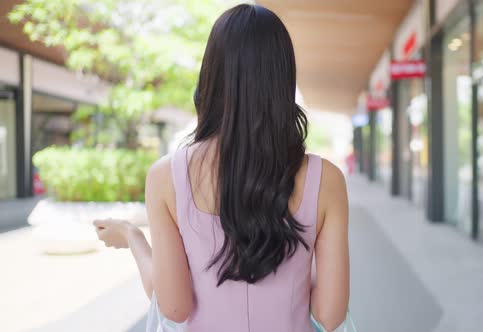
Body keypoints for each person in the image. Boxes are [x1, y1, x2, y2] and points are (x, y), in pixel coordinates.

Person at [93, 4, 349, 332]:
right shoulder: (326, 179)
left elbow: (174, 307)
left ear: (211, 73)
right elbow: (330, 315)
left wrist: (132, 237)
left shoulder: (166, 176)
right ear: (283, 76)